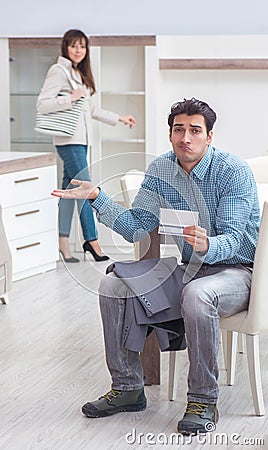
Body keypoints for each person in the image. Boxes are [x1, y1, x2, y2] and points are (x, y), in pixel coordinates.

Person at [51, 98, 260, 435]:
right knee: (114, 285)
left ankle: (203, 400)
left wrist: (210, 244)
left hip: (237, 273)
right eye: (179, 129)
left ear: (210, 136)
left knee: (197, 293)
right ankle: (128, 387)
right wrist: (97, 198)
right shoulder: (161, 170)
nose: (186, 138)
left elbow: (237, 239)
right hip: (191, 269)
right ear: (170, 134)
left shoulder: (231, 171)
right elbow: (136, 227)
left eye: (195, 130)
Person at [37, 29, 136, 263]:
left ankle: (63, 242)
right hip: (68, 140)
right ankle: (92, 240)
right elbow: (42, 104)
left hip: (80, 141)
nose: (78, 50)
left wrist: (118, 117)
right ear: (65, 47)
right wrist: (70, 97)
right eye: (74, 46)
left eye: (82, 46)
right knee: (85, 188)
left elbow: (90, 110)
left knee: (68, 191)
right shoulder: (59, 71)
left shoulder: (78, 74)